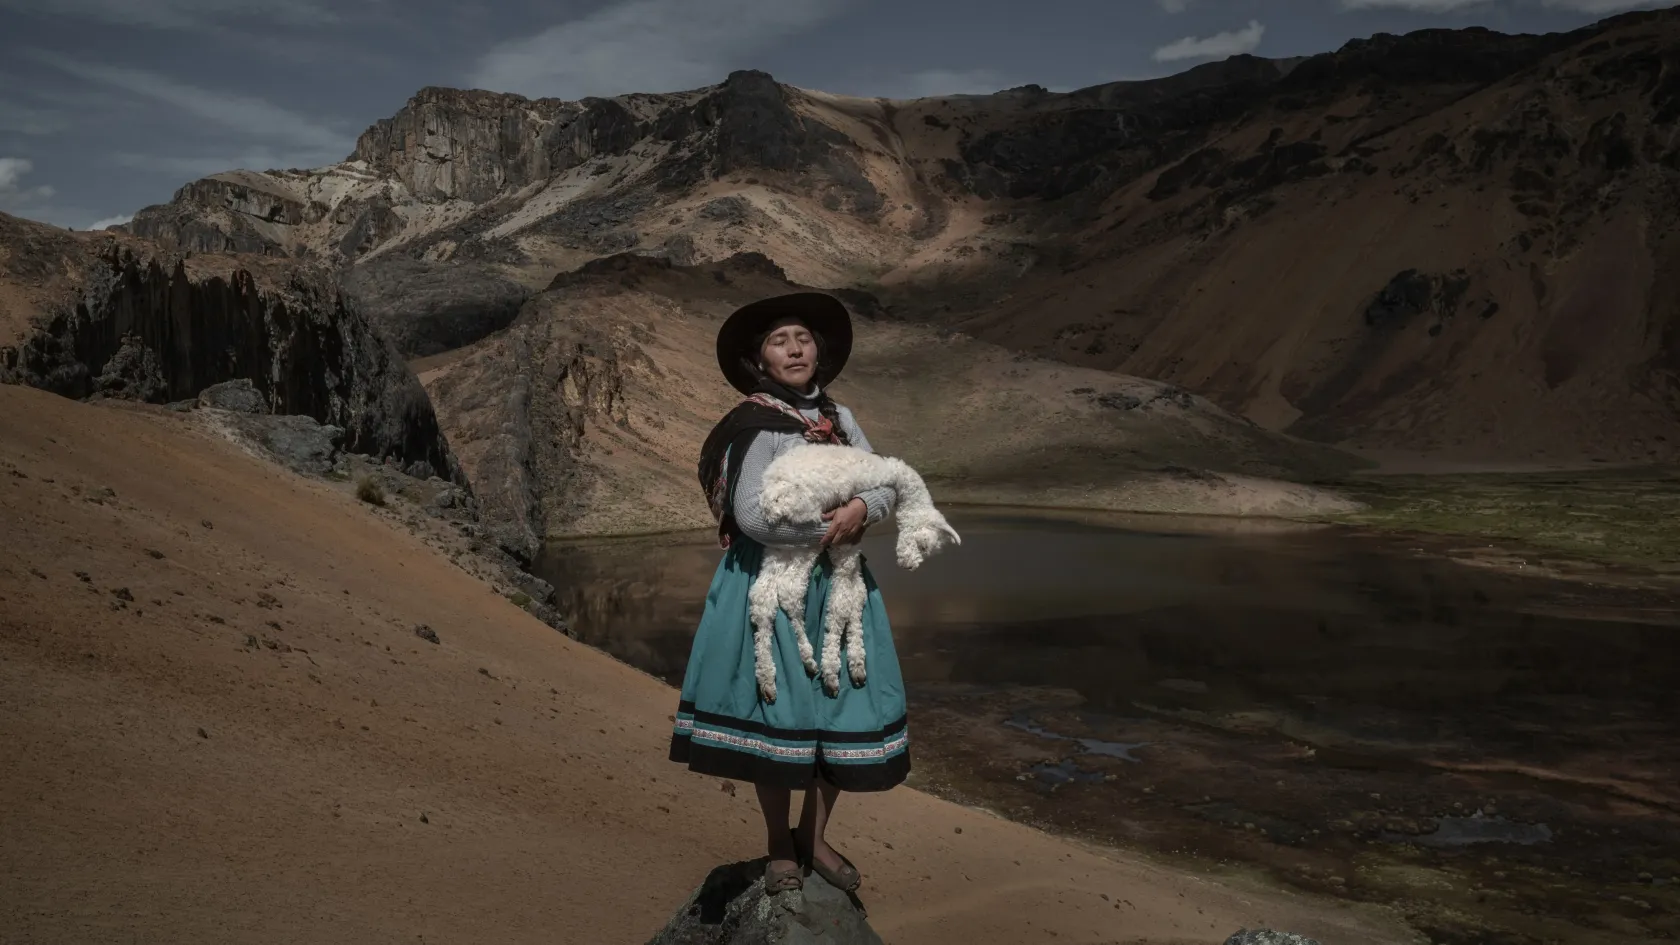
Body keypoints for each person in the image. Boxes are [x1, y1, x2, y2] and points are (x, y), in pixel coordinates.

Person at [671, 291, 909, 895]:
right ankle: (779, 842)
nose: (795, 348)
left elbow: (884, 482)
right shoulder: (756, 427)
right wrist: (830, 528)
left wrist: (861, 505)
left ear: (819, 351)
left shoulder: (842, 420)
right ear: (760, 361)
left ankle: (814, 834)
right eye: (780, 341)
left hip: (837, 585)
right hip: (771, 588)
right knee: (777, 714)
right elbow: (751, 515)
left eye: (802, 337)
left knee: (839, 704)